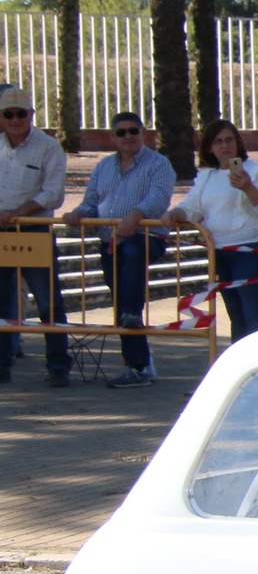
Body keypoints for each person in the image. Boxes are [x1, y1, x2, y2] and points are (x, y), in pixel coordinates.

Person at [64, 111, 174, 388]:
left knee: (130, 289)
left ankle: (137, 362)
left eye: (133, 131)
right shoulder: (103, 167)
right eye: (122, 132)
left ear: (144, 133)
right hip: (110, 242)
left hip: (146, 237)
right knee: (123, 302)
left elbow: (159, 198)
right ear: (113, 137)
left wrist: (135, 216)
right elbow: (91, 202)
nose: (128, 137)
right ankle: (139, 365)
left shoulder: (159, 164)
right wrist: (78, 214)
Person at [166, 119, 258, 340]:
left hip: (250, 251)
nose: (224, 146)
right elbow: (193, 207)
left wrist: (247, 187)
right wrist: (176, 213)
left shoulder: (256, 171)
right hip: (220, 252)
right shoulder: (208, 175)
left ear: (238, 142)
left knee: (253, 314)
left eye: (229, 140)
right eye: (218, 142)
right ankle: (241, 365)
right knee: (235, 315)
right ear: (209, 147)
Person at [0, 85, 71, 387]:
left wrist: (18, 212)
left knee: (48, 302)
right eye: (8, 114)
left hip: (35, 230)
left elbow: (53, 194)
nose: (15, 119)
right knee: (1, 303)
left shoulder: (48, 146)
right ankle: (1, 366)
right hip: (2, 232)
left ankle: (58, 366)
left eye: (20, 113)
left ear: (31, 115)